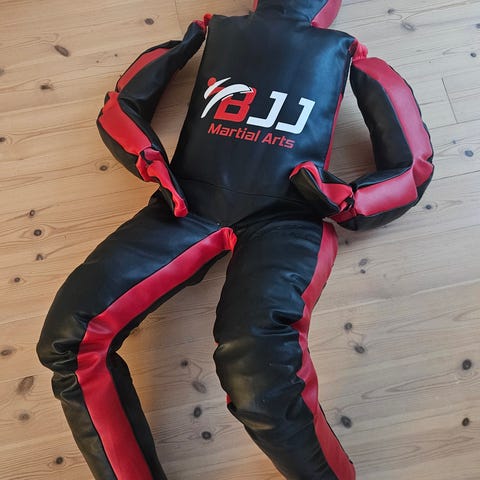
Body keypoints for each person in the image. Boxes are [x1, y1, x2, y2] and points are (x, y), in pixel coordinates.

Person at [36, 1, 433, 478]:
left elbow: (412, 168)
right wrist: (150, 159)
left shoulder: (345, 52)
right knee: (69, 340)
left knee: (260, 374)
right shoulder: (214, 31)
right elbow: (120, 108)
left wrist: (344, 199)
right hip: (188, 204)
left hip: (284, 218)